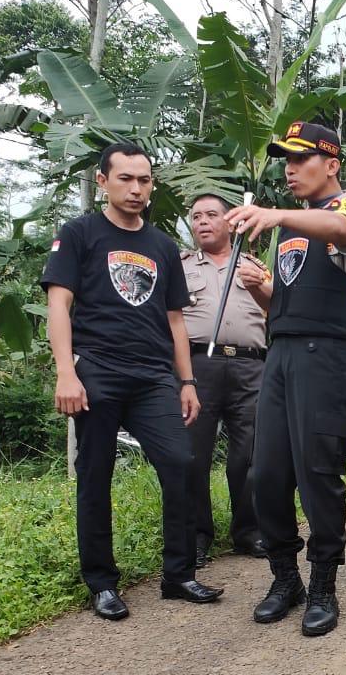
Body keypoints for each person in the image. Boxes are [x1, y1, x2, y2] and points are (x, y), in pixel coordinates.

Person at [42, 142, 223, 621]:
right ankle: (102, 583)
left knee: (182, 462)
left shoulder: (162, 245)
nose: (136, 188)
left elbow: (176, 322)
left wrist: (186, 381)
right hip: (96, 369)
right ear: (103, 181)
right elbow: (58, 305)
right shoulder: (79, 233)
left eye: (144, 180)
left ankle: (178, 574)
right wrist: (66, 371)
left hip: (152, 376)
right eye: (125, 179)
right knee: (95, 475)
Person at [228, 121, 346, 638]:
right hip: (283, 355)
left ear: (331, 164)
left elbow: (342, 232)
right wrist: (258, 289)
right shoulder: (291, 229)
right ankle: (284, 576)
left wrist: (276, 214)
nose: (290, 169)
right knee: (265, 472)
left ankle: (323, 584)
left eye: (301, 159)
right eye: (285, 161)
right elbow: (286, 308)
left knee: (318, 475)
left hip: (331, 358)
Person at [181, 193, 269, 566]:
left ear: (231, 222)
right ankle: (197, 536)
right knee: (193, 455)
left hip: (251, 366)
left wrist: (260, 285)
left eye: (212, 215)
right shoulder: (179, 266)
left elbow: (276, 311)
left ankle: (248, 532)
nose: (202, 221)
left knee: (249, 455)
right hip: (198, 367)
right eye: (196, 216)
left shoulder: (254, 265)